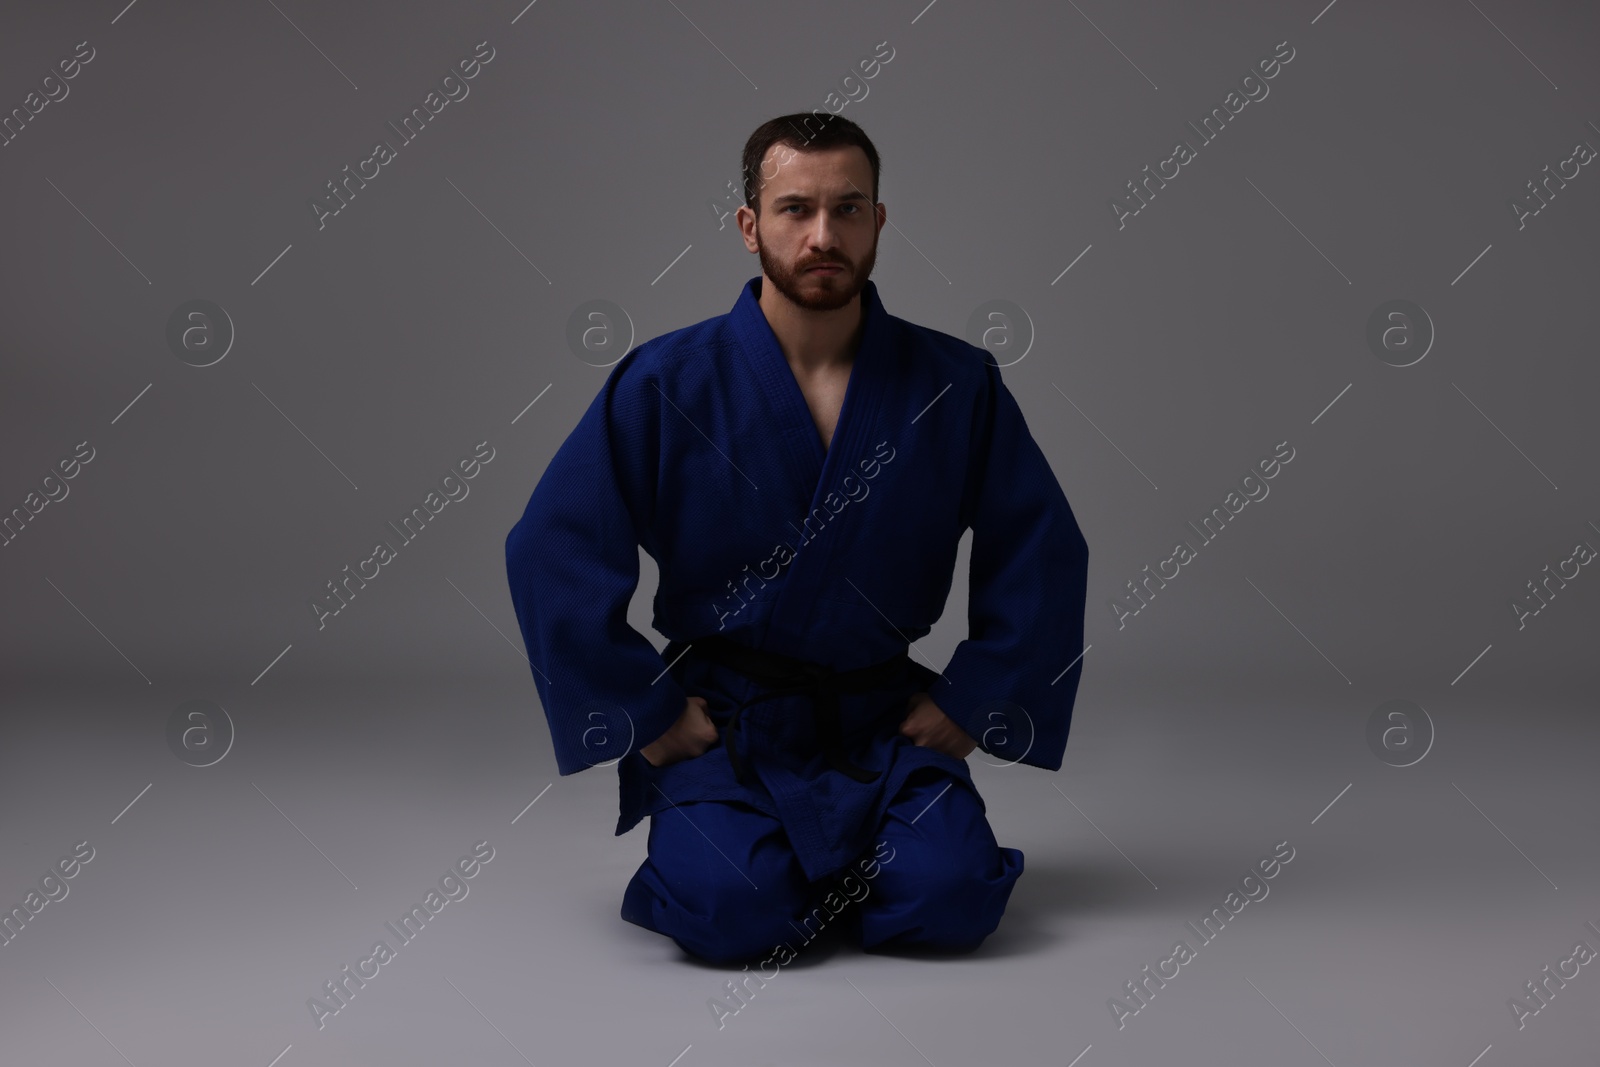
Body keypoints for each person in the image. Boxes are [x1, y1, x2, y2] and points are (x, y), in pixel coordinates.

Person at [504, 112, 1089, 964]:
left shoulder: (953, 384)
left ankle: (849, 855)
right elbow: (549, 547)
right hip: (728, 724)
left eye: (849, 208)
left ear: (880, 221)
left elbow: (1042, 547)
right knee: (734, 915)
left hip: (882, 721)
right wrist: (647, 710)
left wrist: (974, 698)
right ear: (750, 226)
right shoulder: (666, 381)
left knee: (952, 901)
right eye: (795, 208)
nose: (824, 235)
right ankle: (760, 855)